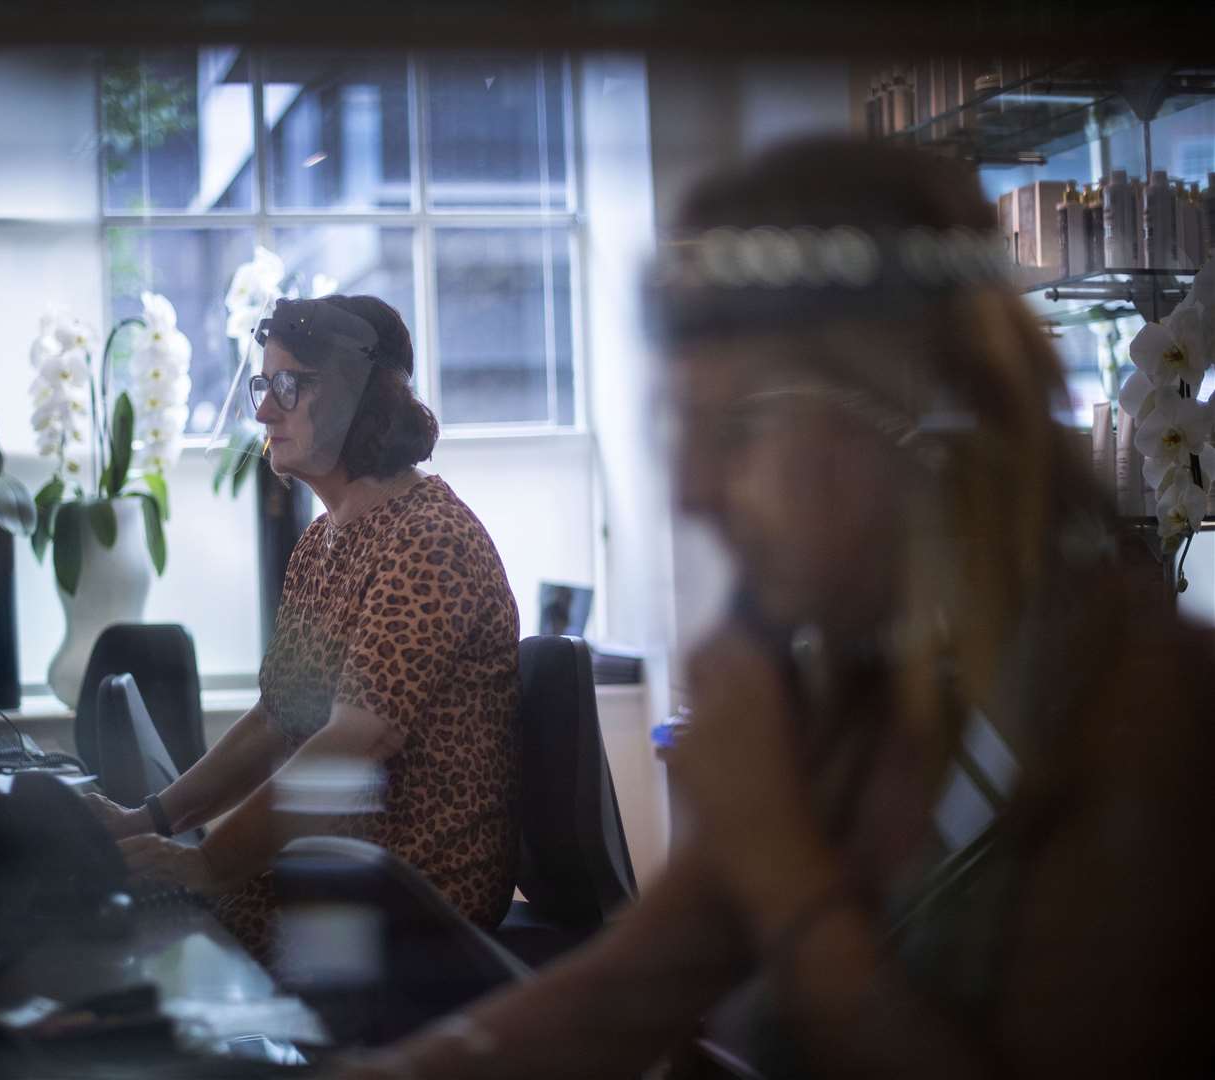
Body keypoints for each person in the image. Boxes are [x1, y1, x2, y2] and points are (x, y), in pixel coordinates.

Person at [340, 138, 1215, 1077]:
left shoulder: (1154, 713)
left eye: (742, 427)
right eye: (680, 427)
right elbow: (619, 998)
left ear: (909, 415)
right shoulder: (848, 699)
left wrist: (776, 850)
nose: (692, 492)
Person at [89, 294, 522, 962]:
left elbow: (356, 739)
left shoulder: (427, 540)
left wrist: (210, 867)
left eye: (289, 386)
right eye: (264, 383)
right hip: (330, 877)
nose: (263, 408)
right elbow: (276, 722)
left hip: (409, 897)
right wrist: (148, 820)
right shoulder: (323, 542)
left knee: (141, 964)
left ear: (360, 398)